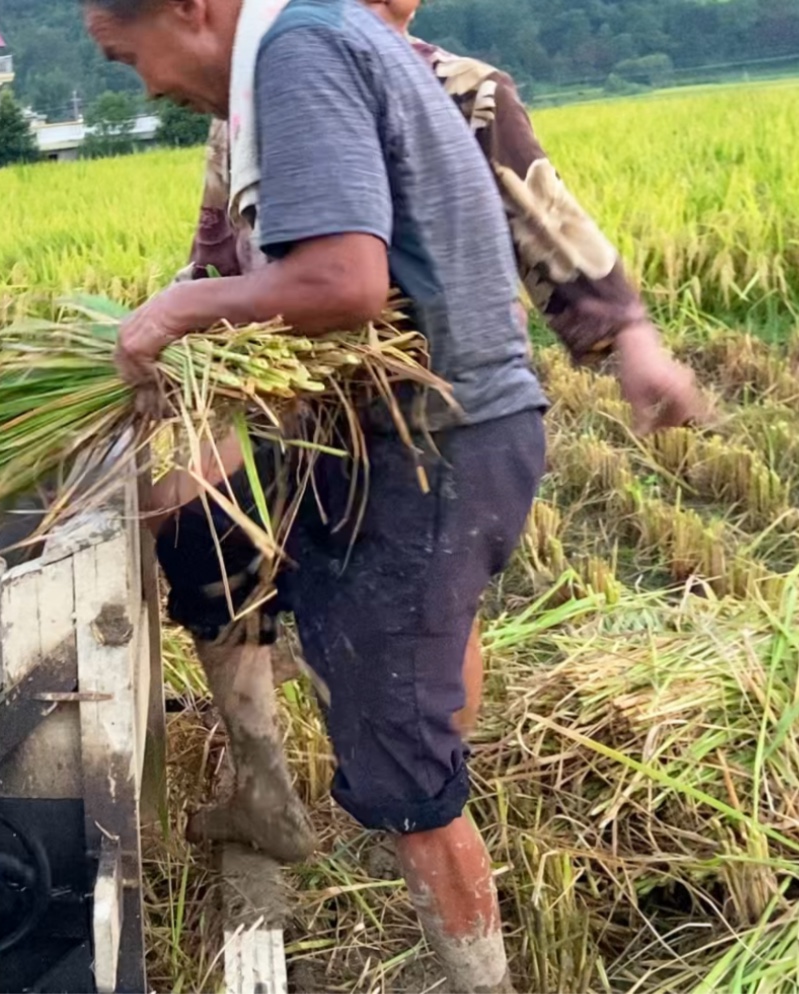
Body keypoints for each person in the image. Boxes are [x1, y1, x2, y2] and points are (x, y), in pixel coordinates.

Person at [79, 0, 567, 988]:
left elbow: (340, 281)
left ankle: (480, 977)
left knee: (400, 759)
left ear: (190, 9)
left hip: (435, 447)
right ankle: (277, 802)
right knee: (213, 545)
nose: (147, 86)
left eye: (131, 57)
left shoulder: (299, 47)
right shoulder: (324, 39)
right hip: (424, 435)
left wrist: (178, 310)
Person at [160, 0, 709, 843]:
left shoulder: (462, 90)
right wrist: (168, 347)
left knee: (418, 627)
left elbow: (548, 223)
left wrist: (629, 336)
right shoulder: (255, 100)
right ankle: (263, 790)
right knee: (204, 542)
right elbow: (212, 253)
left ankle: (425, 794)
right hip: (296, 408)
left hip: (427, 420)